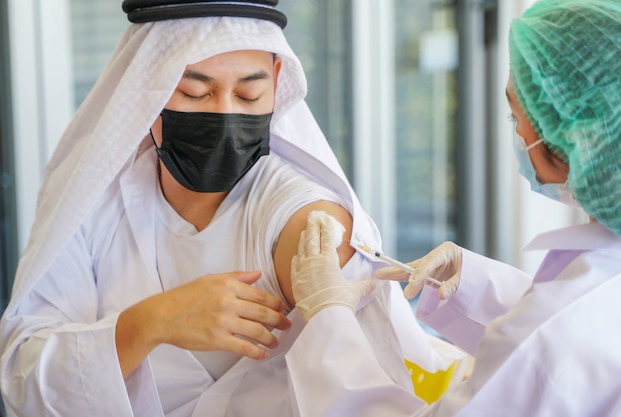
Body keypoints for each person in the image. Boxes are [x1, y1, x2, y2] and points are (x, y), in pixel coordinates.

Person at [0, 1, 434, 416]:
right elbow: (24, 378)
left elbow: (365, 394)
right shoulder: (94, 201)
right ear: (146, 88)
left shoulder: (298, 209)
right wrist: (149, 322)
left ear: (277, 80)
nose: (225, 117)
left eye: (249, 95)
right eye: (195, 92)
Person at [286, 0, 621, 416]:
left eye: (517, 117)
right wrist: (471, 282)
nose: (516, 133)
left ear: (576, 139)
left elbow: (550, 346)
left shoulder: (553, 341)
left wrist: (326, 317)